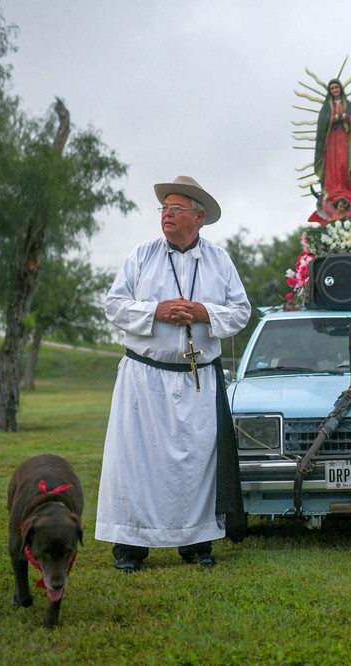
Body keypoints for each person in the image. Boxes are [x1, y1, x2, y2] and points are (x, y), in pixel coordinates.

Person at [96, 175, 252, 573]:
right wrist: (155, 311)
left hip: (197, 377)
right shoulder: (141, 255)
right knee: (136, 461)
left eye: (176, 208)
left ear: (198, 218)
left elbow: (241, 311)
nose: (167, 214)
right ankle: (130, 546)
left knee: (197, 463)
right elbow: (114, 305)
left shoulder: (219, 261)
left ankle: (196, 542)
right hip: (144, 378)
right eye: (164, 208)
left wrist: (205, 313)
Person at [310, 78, 351, 223]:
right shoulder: (326, 107)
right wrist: (333, 119)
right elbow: (322, 124)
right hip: (331, 143)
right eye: (332, 88)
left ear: (341, 88)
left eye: (336, 87)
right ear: (329, 91)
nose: (335, 90)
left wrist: (346, 118)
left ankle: (346, 189)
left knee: (343, 164)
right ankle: (330, 190)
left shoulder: (348, 106)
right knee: (332, 166)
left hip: (345, 141)